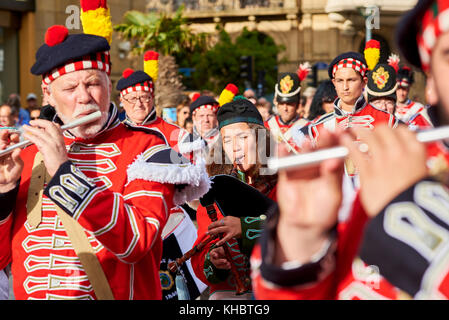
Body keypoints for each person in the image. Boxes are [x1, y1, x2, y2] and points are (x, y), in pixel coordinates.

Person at [0, 6, 209, 301]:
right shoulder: (28, 153)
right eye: (70, 87)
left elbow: (138, 240)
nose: (84, 97)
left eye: (94, 83)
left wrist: (64, 173)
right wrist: (5, 190)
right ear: (48, 95)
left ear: (109, 86)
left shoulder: (155, 148)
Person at [251, 0, 449, 300]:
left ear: (363, 82)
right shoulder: (316, 128)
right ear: (432, 81)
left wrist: (406, 215)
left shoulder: (398, 130)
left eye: (351, 80)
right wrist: (301, 244)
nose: (345, 88)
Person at [190, 97, 277, 300]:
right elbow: (200, 252)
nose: (235, 147)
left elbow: (299, 229)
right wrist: (213, 260)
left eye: (243, 138)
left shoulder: (286, 180)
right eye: (227, 140)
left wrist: (245, 228)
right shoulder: (215, 188)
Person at [117, 51, 190, 159]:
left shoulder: (176, 134)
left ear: (152, 98)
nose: (139, 104)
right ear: (122, 101)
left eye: (144, 97)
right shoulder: (115, 133)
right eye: (132, 98)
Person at [265, 64, 311, 153]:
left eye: (289, 104)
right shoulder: (267, 125)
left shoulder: (307, 127)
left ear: (298, 104)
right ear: (277, 104)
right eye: (282, 104)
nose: (285, 108)